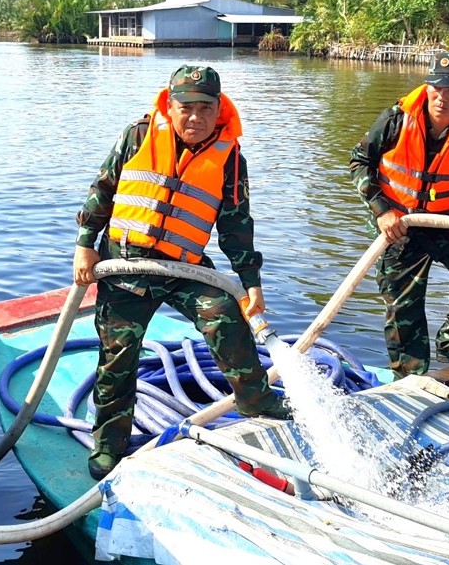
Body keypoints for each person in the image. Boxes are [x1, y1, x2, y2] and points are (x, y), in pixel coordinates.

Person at [74, 65, 291, 481]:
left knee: (225, 317)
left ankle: (257, 402)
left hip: (184, 267)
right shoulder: (137, 136)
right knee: (118, 358)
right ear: (169, 106)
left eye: (205, 108)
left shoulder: (229, 159)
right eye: (185, 107)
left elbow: (236, 226)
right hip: (126, 266)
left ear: (219, 109)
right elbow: (102, 190)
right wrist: (85, 244)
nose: (195, 117)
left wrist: (251, 285)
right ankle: (109, 446)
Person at [349, 51, 449, 379]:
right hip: (399, 224)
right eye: (436, 88)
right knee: (402, 304)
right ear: (426, 88)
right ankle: (410, 377)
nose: (442, 97)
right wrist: (381, 211)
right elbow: (359, 161)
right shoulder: (396, 119)